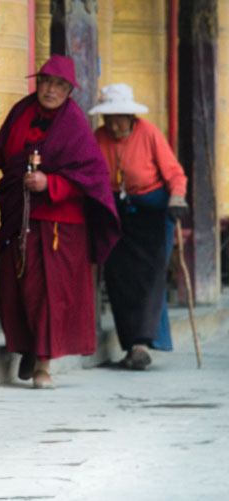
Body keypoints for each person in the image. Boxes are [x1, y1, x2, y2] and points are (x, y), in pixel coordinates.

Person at [0, 54, 119, 389]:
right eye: (46, 82)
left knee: (49, 294)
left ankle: (43, 365)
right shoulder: (23, 111)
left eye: (60, 85)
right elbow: (2, 154)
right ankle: (29, 347)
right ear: (38, 83)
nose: (51, 90)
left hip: (59, 224)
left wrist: (51, 183)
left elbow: (93, 176)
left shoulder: (74, 123)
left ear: (69, 91)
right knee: (20, 291)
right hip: (20, 218)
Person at [89, 83, 189, 370]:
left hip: (154, 210)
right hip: (118, 209)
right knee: (119, 277)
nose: (114, 123)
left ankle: (142, 344)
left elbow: (174, 173)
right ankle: (131, 344)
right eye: (109, 117)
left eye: (120, 117)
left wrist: (177, 197)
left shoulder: (149, 133)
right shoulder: (99, 137)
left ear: (131, 116)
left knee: (150, 276)